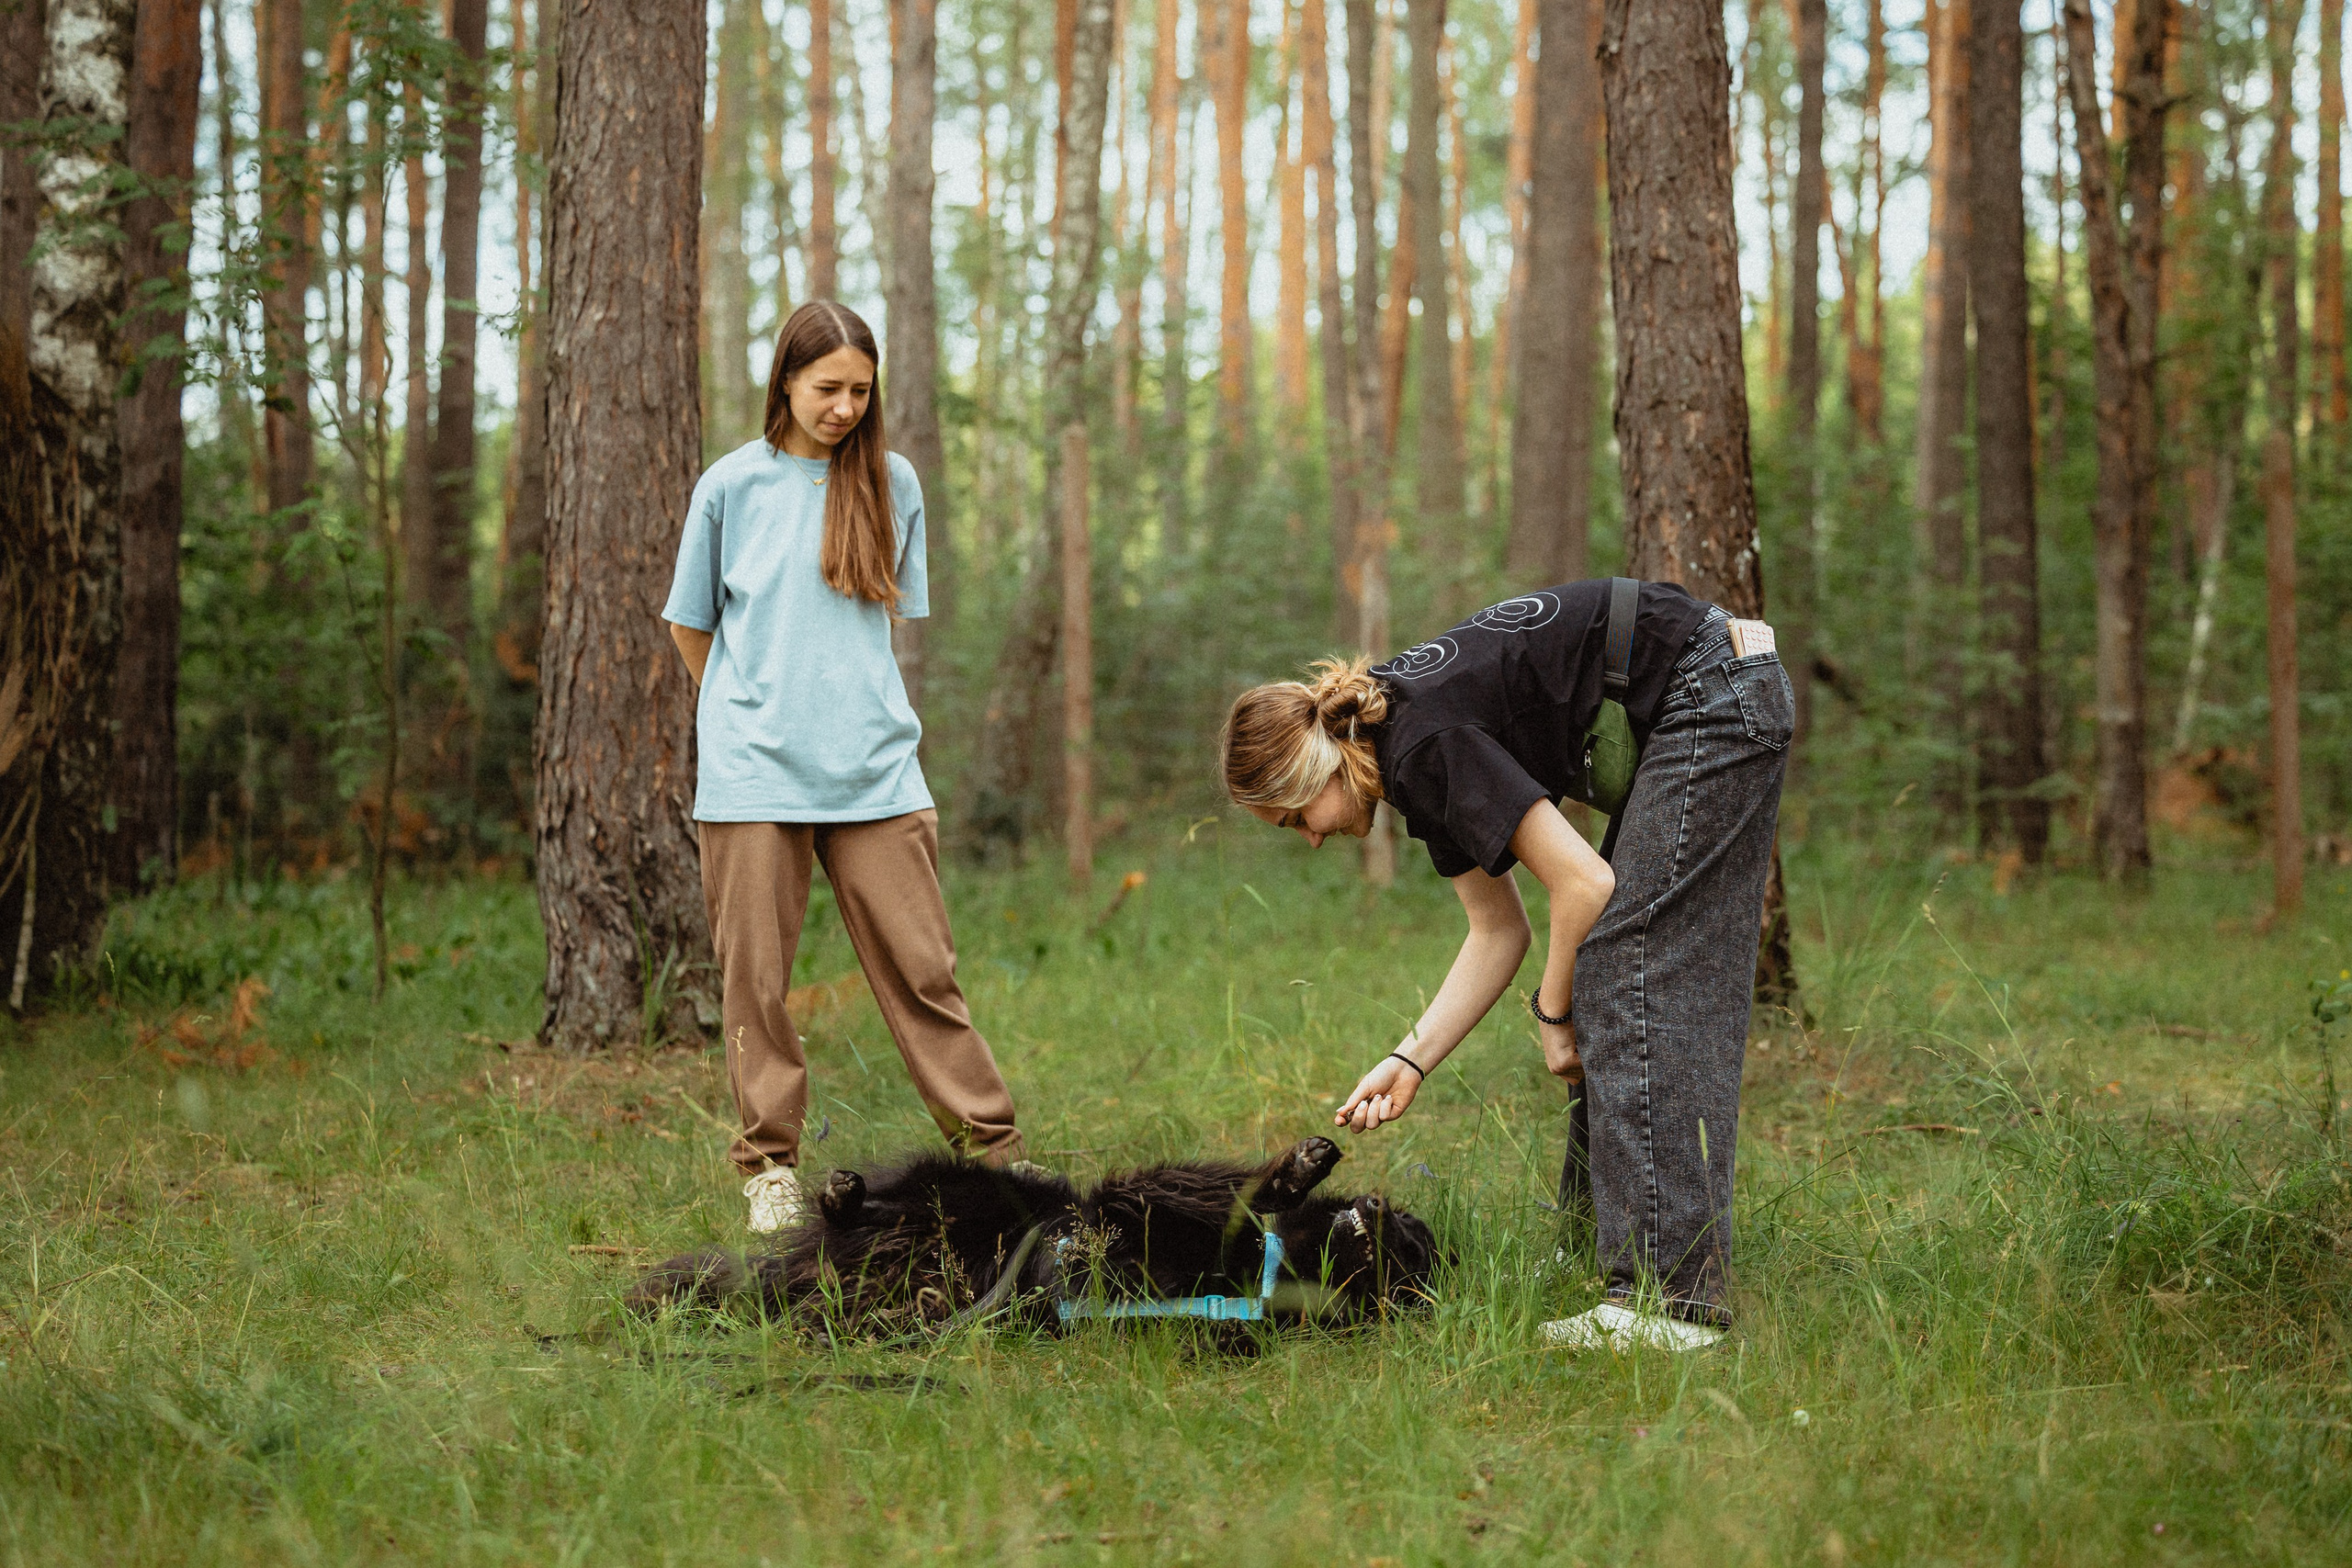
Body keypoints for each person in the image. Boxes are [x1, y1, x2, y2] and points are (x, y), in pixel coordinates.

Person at [1219, 581, 1791, 1350]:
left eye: (1297, 819)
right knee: (1612, 967)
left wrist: (1555, 1015)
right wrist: (1408, 1059)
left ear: (1316, 770)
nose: (1312, 839)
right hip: (1711, 680)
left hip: (1713, 684)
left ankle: (1670, 1304)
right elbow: (1497, 932)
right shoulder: (1401, 755)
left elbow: (1583, 884)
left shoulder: (1421, 745)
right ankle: (1601, 1262)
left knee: (1626, 972)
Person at [663, 300, 1026, 1234]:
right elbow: (688, 624)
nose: (844, 407)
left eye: (860, 391)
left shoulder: (889, 481)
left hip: (875, 775)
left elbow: (881, 621)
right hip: (752, 780)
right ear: (784, 380)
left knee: (923, 969)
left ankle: (994, 1154)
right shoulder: (729, 486)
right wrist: (744, 711)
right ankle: (769, 1167)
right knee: (756, 980)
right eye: (827, 388)